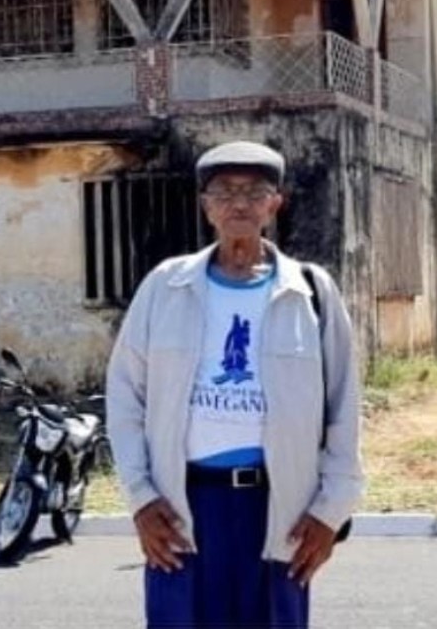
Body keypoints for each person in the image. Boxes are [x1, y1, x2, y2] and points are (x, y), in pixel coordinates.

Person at [106, 141, 365, 628]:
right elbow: (124, 397)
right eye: (224, 192)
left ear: (275, 203)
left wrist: (331, 512)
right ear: (205, 206)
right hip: (182, 509)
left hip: (278, 509)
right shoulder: (166, 286)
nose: (239, 203)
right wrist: (140, 500)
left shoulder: (310, 292)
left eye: (254, 191)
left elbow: (344, 409)